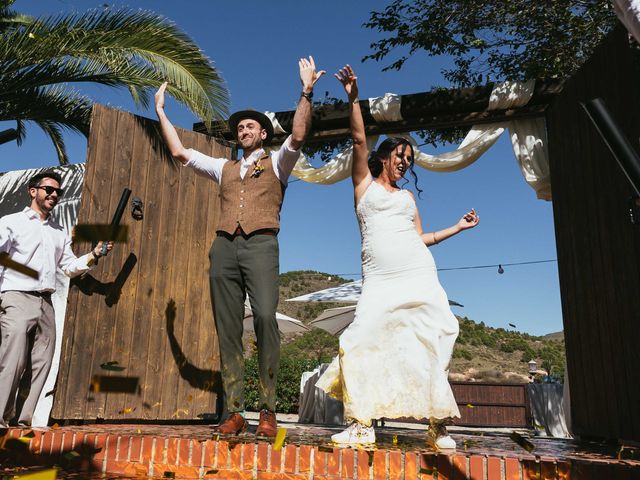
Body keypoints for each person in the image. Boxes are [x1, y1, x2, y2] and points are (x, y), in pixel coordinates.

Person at [154, 57, 325, 437]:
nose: (243, 129)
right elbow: (181, 153)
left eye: (250, 126)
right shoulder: (224, 167)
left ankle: (267, 409)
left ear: (263, 134)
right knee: (228, 329)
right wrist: (162, 113)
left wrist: (306, 92)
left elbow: (298, 135)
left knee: (265, 317)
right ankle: (233, 411)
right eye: (239, 127)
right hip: (224, 248)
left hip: (262, 245)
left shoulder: (279, 163)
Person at [316, 65, 479, 449]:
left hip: (418, 273)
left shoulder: (408, 198)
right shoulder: (363, 187)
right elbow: (358, 139)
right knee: (359, 340)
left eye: (410, 158)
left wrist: (456, 227)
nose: (406, 161)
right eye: (400, 155)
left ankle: (438, 425)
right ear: (385, 156)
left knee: (431, 337)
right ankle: (361, 423)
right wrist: (354, 97)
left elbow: (421, 237)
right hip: (379, 280)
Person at [0, 170, 112, 427]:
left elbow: (70, 266)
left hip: (45, 303)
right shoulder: (11, 222)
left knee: (42, 363)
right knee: (12, 360)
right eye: (48, 189)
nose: (54, 194)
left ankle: (24, 421)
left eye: (58, 192)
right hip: (17, 297)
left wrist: (94, 254)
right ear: (33, 191)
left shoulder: (58, 231)